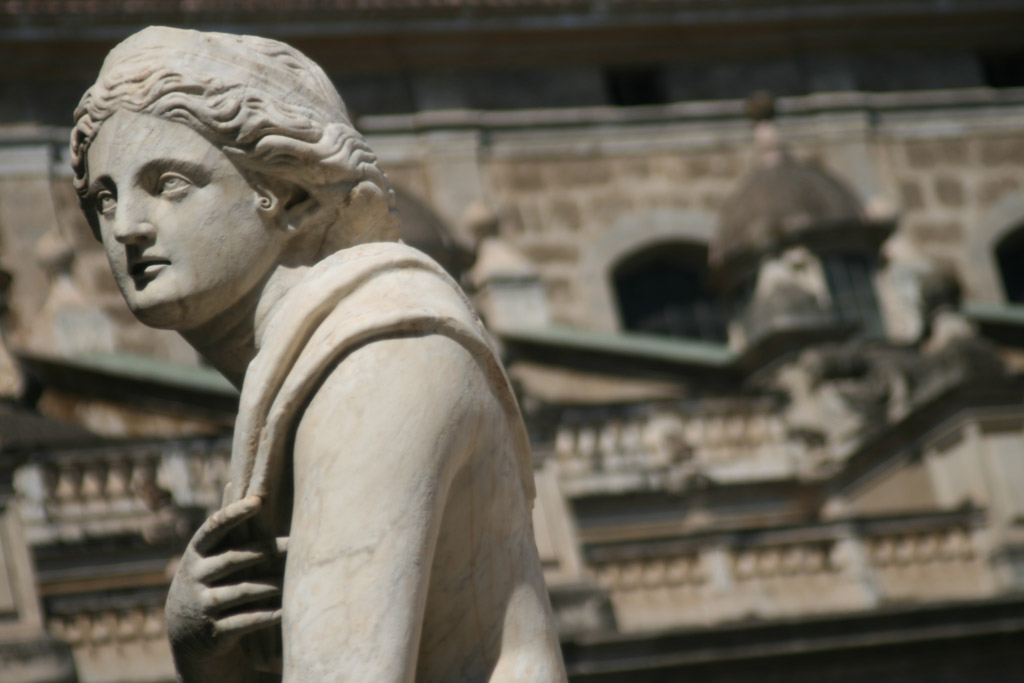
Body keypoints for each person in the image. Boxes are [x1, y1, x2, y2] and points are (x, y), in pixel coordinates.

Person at [71, 26, 565, 683]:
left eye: (169, 183)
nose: (126, 226)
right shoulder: (315, 365)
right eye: (105, 198)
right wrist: (205, 655)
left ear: (294, 197)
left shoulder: (382, 359)